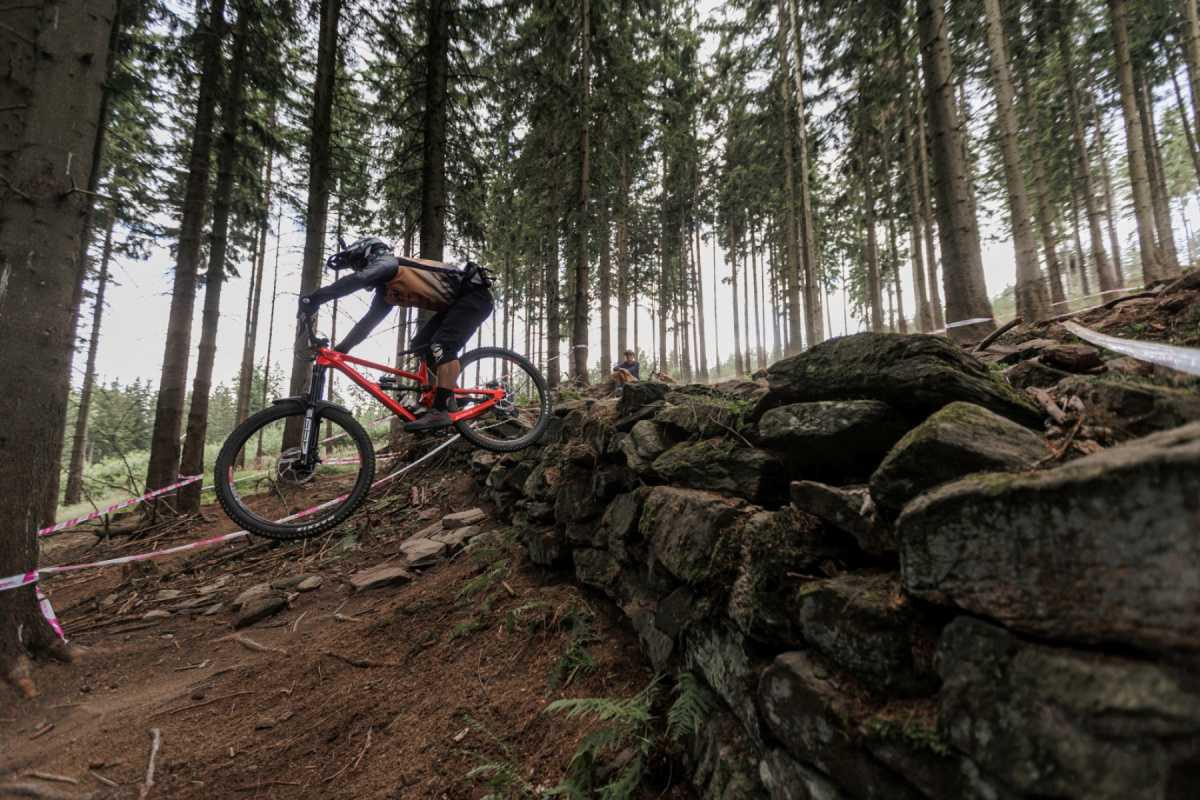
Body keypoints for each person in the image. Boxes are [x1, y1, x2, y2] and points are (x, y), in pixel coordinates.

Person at [297, 236, 494, 432]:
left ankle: (440, 410)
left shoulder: (390, 264)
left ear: (369, 254)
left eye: (359, 264)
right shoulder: (386, 292)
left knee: (441, 345)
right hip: (457, 304)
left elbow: (358, 280)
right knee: (422, 345)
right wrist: (340, 351)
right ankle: (455, 395)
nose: (361, 270)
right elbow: (367, 324)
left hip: (474, 296)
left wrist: (314, 299)